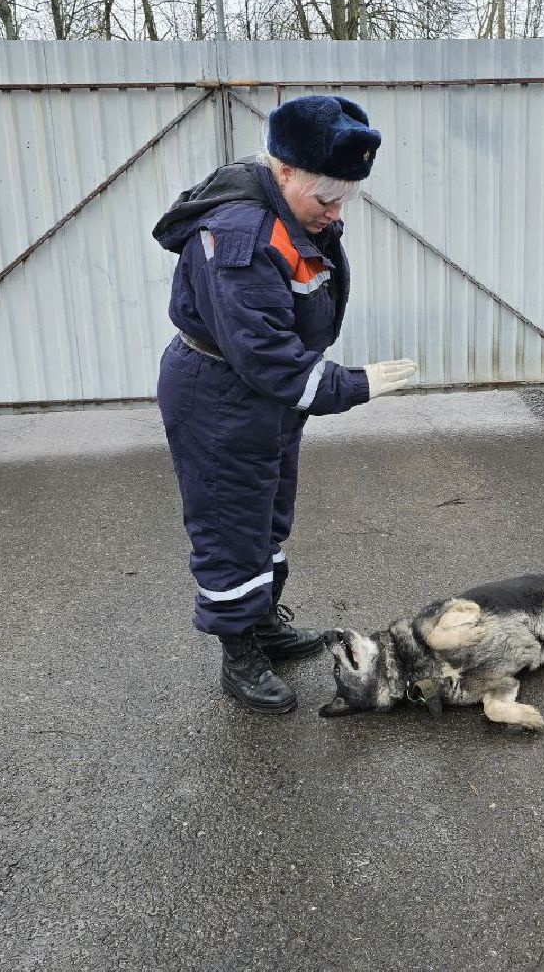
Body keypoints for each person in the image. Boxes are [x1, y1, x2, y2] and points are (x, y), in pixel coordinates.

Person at [153, 95, 417, 714]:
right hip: (221, 395)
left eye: (344, 199)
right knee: (229, 524)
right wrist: (353, 385)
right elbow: (268, 357)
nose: (334, 212)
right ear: (286, 169)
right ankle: (238, 653)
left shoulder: (293, 212)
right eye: (326, 198)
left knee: (267, 513)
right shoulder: (239, 236)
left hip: (261, 398)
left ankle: (262, 621)